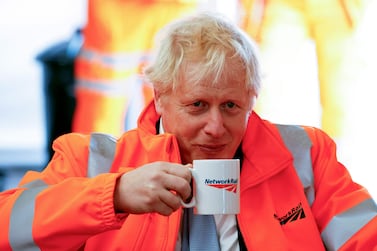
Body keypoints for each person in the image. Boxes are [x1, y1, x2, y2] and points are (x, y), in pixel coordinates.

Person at [1, 11, 376, 250]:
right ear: (159, 98)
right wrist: (112, 195)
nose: (216, 127)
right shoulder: (94, 161)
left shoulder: (304, 154)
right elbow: (6, 226)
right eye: (197, 105)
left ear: (251, 97)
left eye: (231, 106)